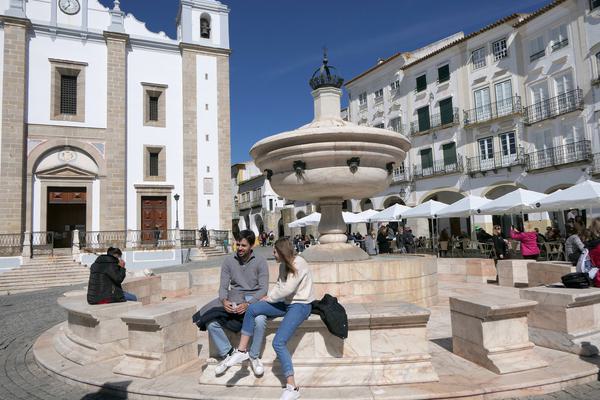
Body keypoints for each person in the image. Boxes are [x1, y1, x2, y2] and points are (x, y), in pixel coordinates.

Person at [224, 238, 314, 400]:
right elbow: (279, 286)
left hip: (300, 305)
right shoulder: (282, 266)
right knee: (252, 308)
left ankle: (292, 387)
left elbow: (288, 288)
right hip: (285, 303)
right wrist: (267, 298)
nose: (272, 254)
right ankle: (242, 351)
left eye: (275, 251)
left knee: (278, 342)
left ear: (282, 251)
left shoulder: (300, 263)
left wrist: (270, 298)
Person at [194, 230, 269, 377]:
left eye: (243, 245)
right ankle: (229, 353)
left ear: (251, 245)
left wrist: (249, 304)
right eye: (238, 244)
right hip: (233, 298)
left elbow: (264, 289)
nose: (239, 248)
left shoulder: (260, 261)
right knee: (210, 320)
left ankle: (254, 356)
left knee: (260, 320)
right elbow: (223, 287)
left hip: (253, 299)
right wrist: (224, 300)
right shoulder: (228, 261)